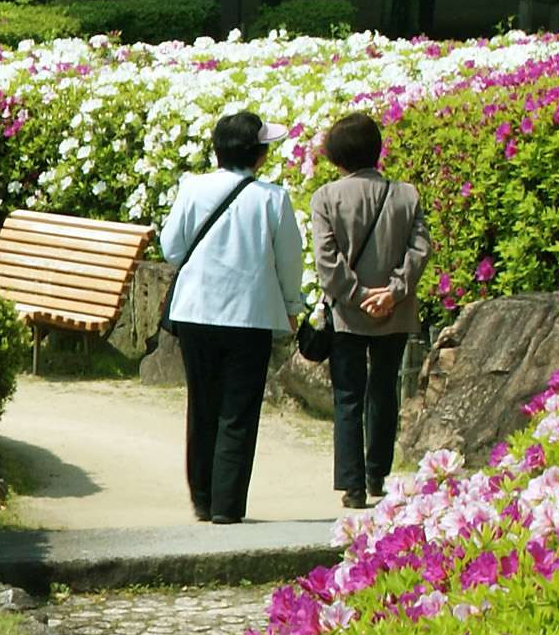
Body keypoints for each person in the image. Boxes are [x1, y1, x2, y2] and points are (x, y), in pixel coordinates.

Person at [159, 109, 308, 525]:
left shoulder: (193, 188)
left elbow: (171, 248)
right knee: (238, 411)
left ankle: (202, 498)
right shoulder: (272, 198)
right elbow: (289, 262)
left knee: (202, 404)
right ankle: (227, 506)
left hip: (196, 311)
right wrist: (292, 308)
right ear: (258, 154)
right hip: (250, 316)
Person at [308, 110, 427, 511]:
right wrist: (392, 293)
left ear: (335, 157)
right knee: (384, 390)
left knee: (348, 397)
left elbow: (327, 260)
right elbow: (419, 249)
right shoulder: (406, 194)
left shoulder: (326, 198)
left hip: (347, 313)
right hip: (395, 312)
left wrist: (358, 296)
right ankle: (378, 474)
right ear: (377, 151)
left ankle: (353, 485)